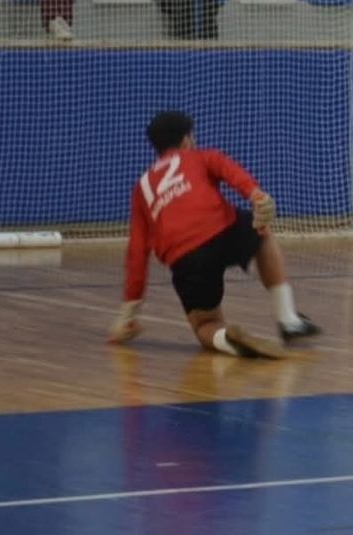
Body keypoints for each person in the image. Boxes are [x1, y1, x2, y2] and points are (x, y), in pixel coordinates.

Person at [109, 111, 320, 357]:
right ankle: (288, 319)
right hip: (223, 230)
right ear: (187, 139)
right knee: (262, 235)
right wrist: (256, 195)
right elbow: (232, 173)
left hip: (186, 258)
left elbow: (137, 252)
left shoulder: (141, 188)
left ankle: (226, 339)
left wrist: (129, 312)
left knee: (205, 324)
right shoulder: (200, 156)